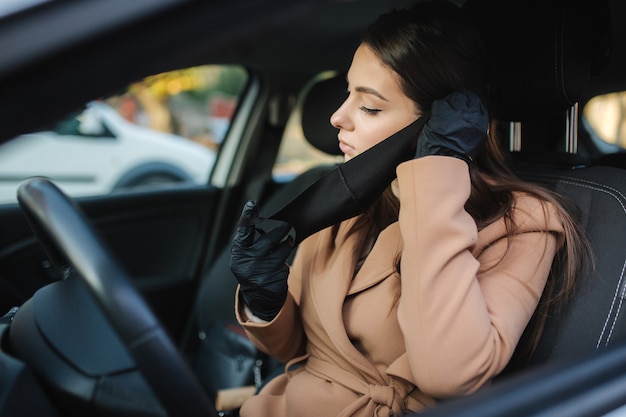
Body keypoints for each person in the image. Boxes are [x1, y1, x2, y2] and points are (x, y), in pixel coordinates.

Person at [229, 1, 590, 416]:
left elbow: (449, 374)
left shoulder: (522, 221)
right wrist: (266, 299)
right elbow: (297, 348)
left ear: (437, 122)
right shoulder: (344, 198)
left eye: (369, 106)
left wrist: (436, 171)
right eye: (348, 93)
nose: (336, 117)